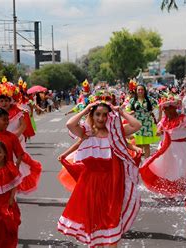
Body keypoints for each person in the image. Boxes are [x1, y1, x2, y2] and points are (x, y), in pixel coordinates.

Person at [58, 94, 142, 247]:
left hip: (113, 181)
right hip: (91, 182)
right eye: (97, 114)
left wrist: (121, 112)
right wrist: (86, 109)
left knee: (112, 217)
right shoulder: (87, 132)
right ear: (92, 115)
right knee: (94, 218)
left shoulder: (115, 132)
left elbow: (137, 126)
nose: (101, 118)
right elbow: (70, 124)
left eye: (105, 115)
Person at [140, 94, 186, 200]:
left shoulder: (183, 119)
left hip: (181, 149)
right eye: (165, 110)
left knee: (181, 169)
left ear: (174, 109)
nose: (167, 112)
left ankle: (183, 191)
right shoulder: (164, 121)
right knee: (168, 171)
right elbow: (157, 133)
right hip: (167, 149)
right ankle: (171, 192)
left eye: (169, 109)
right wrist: (159, 131)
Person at [0, 107, 42, 194]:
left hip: (8, 173)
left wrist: (16, 167)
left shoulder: (12, 137)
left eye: (8, 120)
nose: (7, 122)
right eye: (4, 120)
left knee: (9, 199)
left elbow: (19, 154)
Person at [127, 84, 160, 158]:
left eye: (142, 89)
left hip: (147, 124)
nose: (140, 91)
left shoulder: (150, 99)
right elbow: (127, 111)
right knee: (138, 144)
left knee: (146, 144)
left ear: (145, 91)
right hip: (136, 125)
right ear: (136, 91)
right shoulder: (132, 100)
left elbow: (159, 107)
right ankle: (137, 162)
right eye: (139, 90)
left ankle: (146, 163)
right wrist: (131, 113)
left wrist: (159, 119)